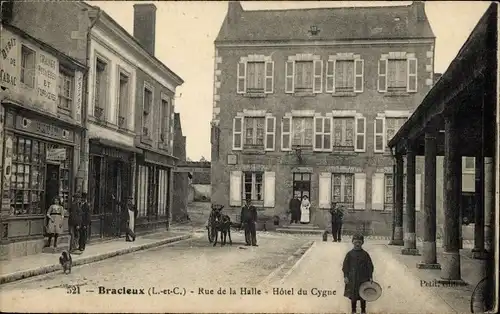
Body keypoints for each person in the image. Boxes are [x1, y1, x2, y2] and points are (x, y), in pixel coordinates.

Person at [342, 233, 374, 314]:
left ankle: (363, 310)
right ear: (352, 242)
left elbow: (370, 266)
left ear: (362, 243)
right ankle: (353, 310)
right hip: (352, 278)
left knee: (363, 294)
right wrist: (346, 276)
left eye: (359, 242)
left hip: (363, 278)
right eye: (355, 242)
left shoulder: (365, 254)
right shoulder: (349, 254)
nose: (357, 244)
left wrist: (370, 276)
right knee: (353, 295)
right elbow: (345, 266)